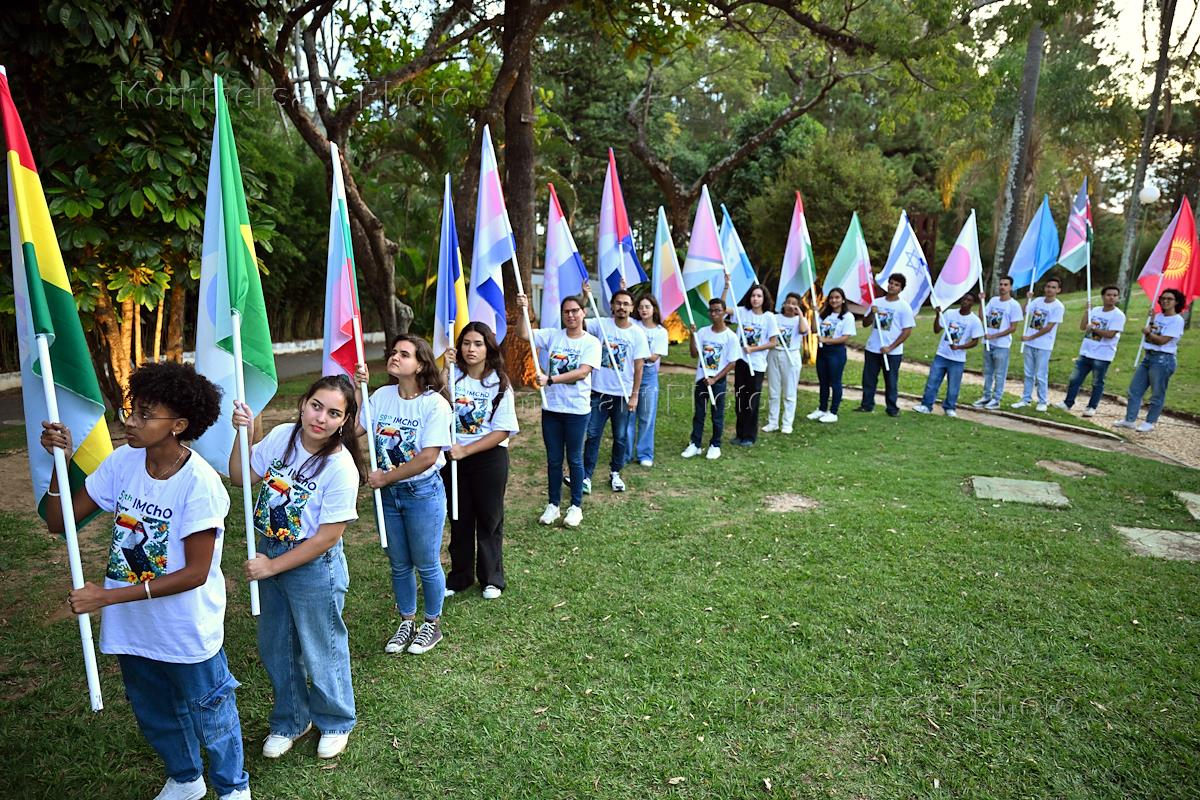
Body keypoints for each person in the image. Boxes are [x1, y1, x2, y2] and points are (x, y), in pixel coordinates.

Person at [40, 362, 249, 800]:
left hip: (185, 627)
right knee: (155, 711)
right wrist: (60, 462)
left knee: (211, 711)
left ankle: (233, 788)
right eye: (131, 410)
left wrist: (106, 597)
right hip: (134, 625)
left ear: (178, 425)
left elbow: (195, 573)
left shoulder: (200, 484)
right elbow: (60, 521)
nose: (130, 422)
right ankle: (186, 779)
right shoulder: (123, 463)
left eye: (144, 414)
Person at [228, 377, 363, 761]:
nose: (321, 418)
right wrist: (243, 434)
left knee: (321, 644)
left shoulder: (341, 466)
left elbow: (328, 537)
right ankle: (291, 720)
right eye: (316, 406)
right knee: (277, 645)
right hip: (271, 551)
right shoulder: (282, 436)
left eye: (333, 413)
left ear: (344, 421)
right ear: (304, 404)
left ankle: (335, 720)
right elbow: (240, 477)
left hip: (312, 563)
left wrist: (272, 567)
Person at [355, 335, 452, 656]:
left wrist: (385, 477)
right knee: (399, 563)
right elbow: (355, 429)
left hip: (421, 493)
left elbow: (428, 457)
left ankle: (432, 624)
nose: (395, 357)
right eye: (394, 352)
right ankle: (407, 621)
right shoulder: (381, 396)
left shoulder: (434, 404)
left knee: (426, 562)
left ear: (421, 365)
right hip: (388, 496)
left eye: (404, 354)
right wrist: (357, 389)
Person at [441, 322, 518, 600]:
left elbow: (502, 431)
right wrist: (445, 369)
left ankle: (491, 579)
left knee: (489, 518)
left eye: (477, 344)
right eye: (466, 343)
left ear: (488, 349)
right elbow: (437, 403)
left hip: (488, 458)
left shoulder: (499, 382)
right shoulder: (454, 377)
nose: (470, 349)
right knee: (459, 517)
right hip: (454, 458)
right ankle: (460, 577)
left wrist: (467, 450)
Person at [516, 292, 601, 528]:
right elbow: (523, 334)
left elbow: (583, 372)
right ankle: (553, 505)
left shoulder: (591, 343)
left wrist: (551, 379)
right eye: (566, 312)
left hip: (577, 410)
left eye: (575, 311)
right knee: (553, 459)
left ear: (583, 313)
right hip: (552, 409)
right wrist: (523, 310)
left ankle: (575, 507)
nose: (571, 315)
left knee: (574, 459)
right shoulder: (553, 336)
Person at [581, 286, 648, 492]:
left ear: (632, 308)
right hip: (599, 392)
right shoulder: (601, 324)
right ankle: (586, 476)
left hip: (622, 395)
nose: (622, 307)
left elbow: (639, 367)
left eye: (626, 304)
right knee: (593, 434)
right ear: (611, 306)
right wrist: (585, 297)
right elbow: (579, 321)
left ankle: (615, 473)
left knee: (620, 437)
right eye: (618, 303)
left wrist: (634, 396)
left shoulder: (637, 333)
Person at [682, 289, 742, 461]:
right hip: (702, 379)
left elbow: (732, 362)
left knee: (717, 414)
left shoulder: (730, 337)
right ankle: (695, 444)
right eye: (711, 310)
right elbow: (694, 354)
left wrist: (715, 378)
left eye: (718, 310)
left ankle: (715, 445)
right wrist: (692, 336)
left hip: (718, 381)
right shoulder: (702, 332)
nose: (714, 314)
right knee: (699, 413)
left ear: (724, 312)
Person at [1115, 288, 1186, 433]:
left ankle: (1150, 422)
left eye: (1169, 299)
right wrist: (1152, 321)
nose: (1165, 301)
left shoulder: (1177, 320)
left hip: (1163, 359)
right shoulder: (1158, 316)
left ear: (1176, 302)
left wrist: (1148, 333)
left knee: (1157, 393)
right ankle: (1129, 420)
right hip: (1148, 357)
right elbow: (1151, 335)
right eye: (1163, 298)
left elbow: (1162, 341)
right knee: (1134, 390)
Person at [1054, 286, 1125, 417]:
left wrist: (1094, 329)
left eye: (1115, 295)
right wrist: (1087, 312)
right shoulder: (1096, 310)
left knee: (1097, 382)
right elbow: (1083, 327)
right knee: (1075, 379)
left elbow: (1110, 334)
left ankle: (1091, 406)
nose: (1112, 297)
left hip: (1102, 355)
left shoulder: (1118, 315)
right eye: (1109, 295)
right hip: (1086, 352)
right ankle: (1068, 403)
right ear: (1103, 296)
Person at [912, 291, 984, 417]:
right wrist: (937, 315)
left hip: (957, 359)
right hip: (942, 355)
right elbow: (937, 330)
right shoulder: (950, 313)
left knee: (953, 386)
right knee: (932, 381)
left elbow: (975, 341)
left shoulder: (974, 321)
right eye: (964, 299)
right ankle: (926, 405)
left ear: (973, 304)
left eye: (969, 300)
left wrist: (959, 347)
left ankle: (950, 407)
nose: (965, 302)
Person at [857, 275, 916, 417]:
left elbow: (907, 331)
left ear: (901, 289)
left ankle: (892, 408)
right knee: (869, 379)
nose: (892, 286)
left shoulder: (904, 307)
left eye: (896, 284)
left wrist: (891, 347)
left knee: (891, 381)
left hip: (892, 352)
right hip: (873, 348)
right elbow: (865, 323)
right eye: (891, 283)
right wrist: (872, 313)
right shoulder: (876, 302)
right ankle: (867, 405)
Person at [730, 283, 779, 445]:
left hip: (756, 365)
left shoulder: (769, 317)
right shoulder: (742, 312)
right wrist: (726, 286)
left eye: (759, 296)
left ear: (764, 299)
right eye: (753, 295)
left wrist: (754, 349)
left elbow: (773, 342)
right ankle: (739, 434)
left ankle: (749, 436)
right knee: (740, 398)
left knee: (752, 400)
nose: (755, 299)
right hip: (741, 361)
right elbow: (722, 309)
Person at [625, 293, 670, 466]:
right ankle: (626, 453)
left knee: (647, 415)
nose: (644, 310)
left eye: (647, 307)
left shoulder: (660, 332)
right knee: (628, 416)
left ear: (654, 309)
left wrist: (636, 354)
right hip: (630, 373)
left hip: (648, 376)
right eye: (641, 307)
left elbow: (653, 357)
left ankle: (645, 454)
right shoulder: (633, 325)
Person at [1012, 276, 1065, 411]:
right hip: (1030, 343)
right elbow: (1023, 312)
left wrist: (1030, 337)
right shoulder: (1037, 301)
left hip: (1044, 345)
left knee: (1041, 374)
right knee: (1028, 373)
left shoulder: (1058, 306)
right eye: (1048, 286)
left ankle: (1042, 401)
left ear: (1058, 290)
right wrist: (1027, 299)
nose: (1050, 289)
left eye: (1053, 287)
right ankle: (1026, 399)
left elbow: (1049, 327)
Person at [973, 275, 1024, 410]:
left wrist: (994, 335)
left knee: (1000, 373)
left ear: (1010, 287)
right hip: (988, 343)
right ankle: (986, 396)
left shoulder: (1014, 305)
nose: (1002, 287)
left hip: (1002, 345)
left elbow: (1013, 328)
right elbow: (982, 317)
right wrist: (981, 302)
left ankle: (996, 399)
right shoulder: (993, 301)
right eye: (1001, 284)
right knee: (988, 372)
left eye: (1005, 285)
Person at [763, 292, 810, 434]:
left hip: (791, 355)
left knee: (789, 391)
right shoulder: (775, 318)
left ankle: (787, 423)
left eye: (794, 304)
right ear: (783, 304)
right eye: (788, 302)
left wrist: (800, 314)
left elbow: (803, 330)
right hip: (774, 353)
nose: (790, 305)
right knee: (773, 390)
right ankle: (773, 422)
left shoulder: (800, 320)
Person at [808, 287, 855, 423]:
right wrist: (815, 313)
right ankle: (822, 408)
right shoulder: (825, 314)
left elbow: (845, 337)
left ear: (843, 300)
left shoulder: (847, 317)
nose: (834, 300)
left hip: (836, 352)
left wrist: (827, 340)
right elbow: (814, 329)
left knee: (835, 382)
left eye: (837, 297)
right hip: (822, 352)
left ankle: (833, 411)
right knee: (823, 381)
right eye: (831, 298)